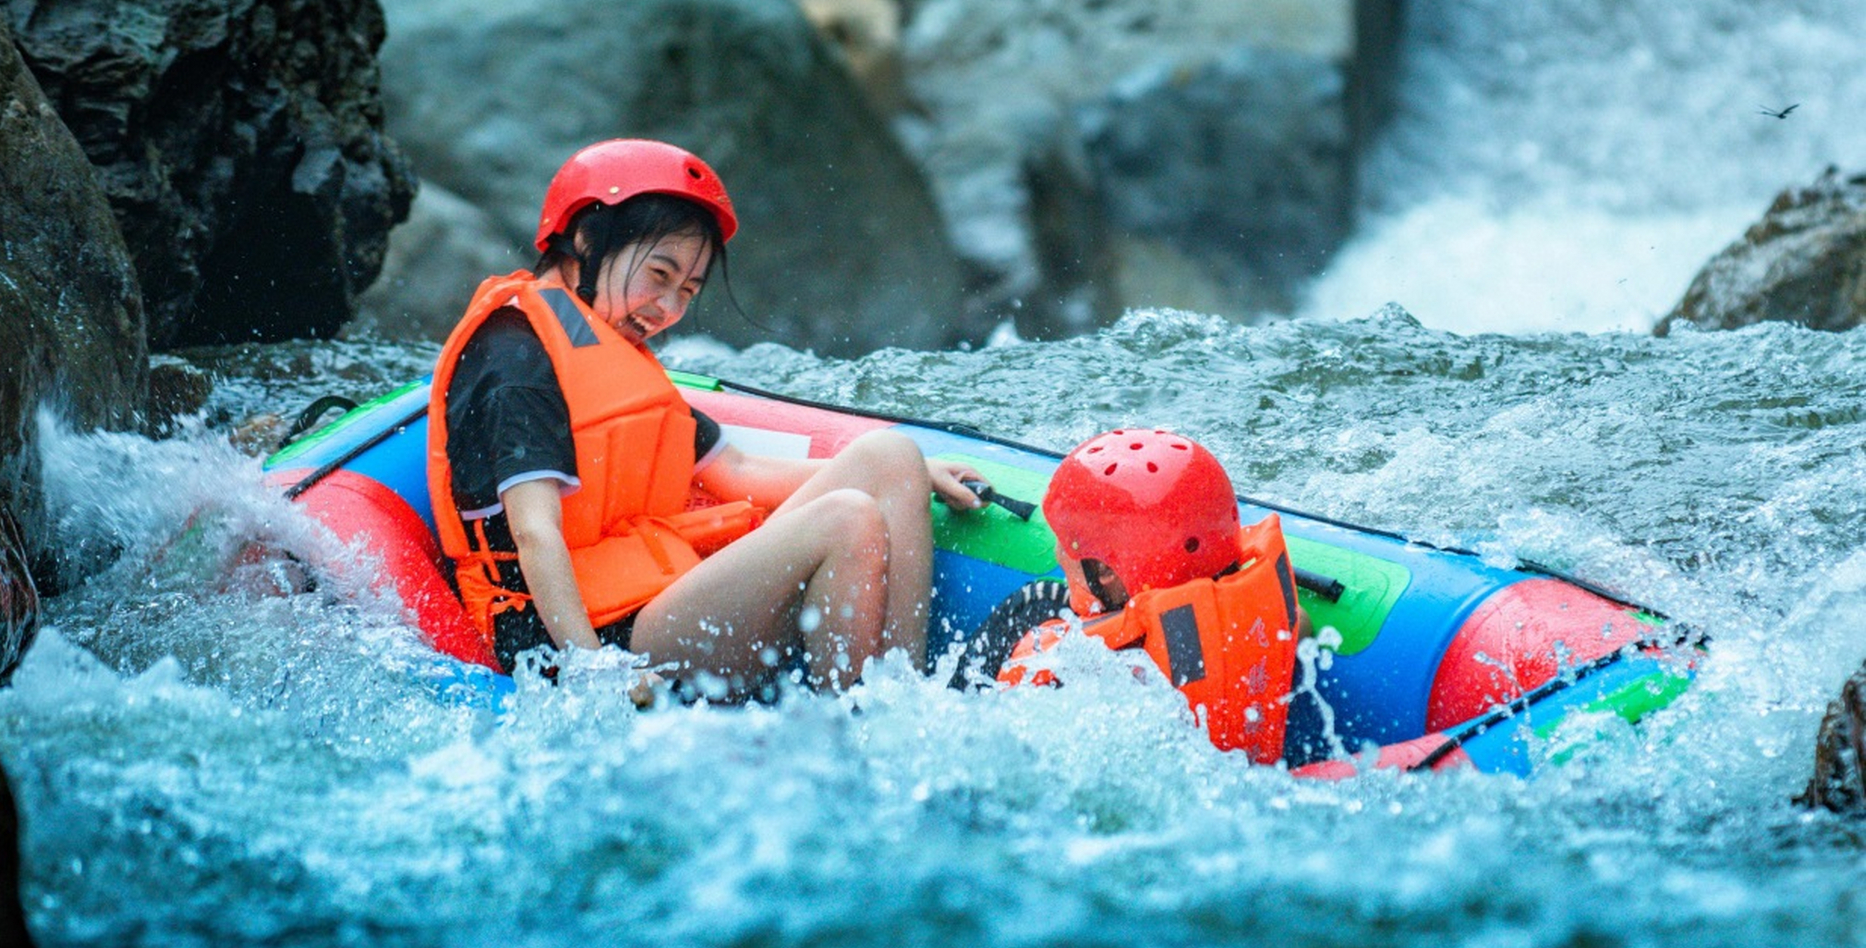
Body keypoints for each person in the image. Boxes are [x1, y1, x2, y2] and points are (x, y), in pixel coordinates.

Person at [425, 138, 983, 697]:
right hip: (578, 637)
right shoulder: (515, 359)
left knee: (893, 457)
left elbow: (735, 468)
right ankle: (862, 721)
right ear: (587, 239)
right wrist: (595, 673)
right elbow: (534, 532)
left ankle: (906, 698)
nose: (668, 309)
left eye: (687, 290)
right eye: (659, 275)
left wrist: (915, 478)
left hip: (653, 593)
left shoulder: (603, 347)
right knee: (846, 517)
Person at [1004, 429, 1305, 762]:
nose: (1059, 553)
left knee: (1036, 601)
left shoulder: (1079, 678)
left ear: (1105, 572)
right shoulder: (1276, 619)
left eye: (1064, 540)